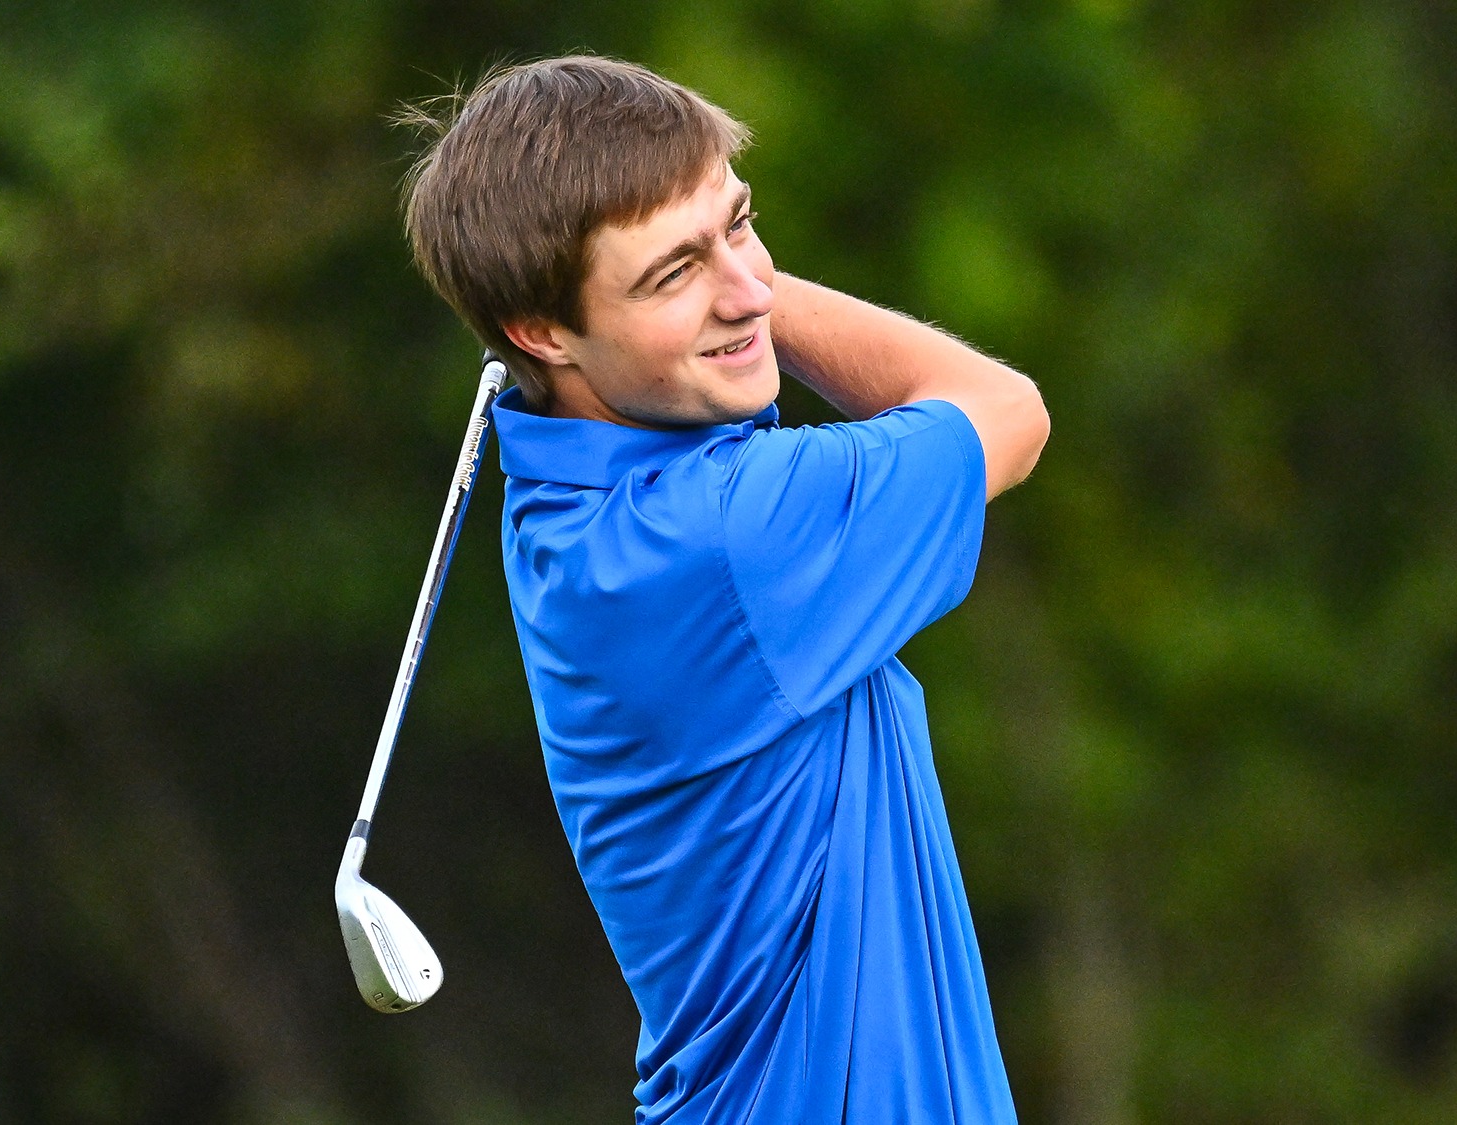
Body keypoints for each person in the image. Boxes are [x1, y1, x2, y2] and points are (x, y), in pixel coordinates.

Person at [399, 55, 1048, 1124]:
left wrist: (697, 295)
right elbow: (1004, 411)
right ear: (540, 332)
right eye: (672, 274)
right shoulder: (726, 537)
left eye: (739, 225)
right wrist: (753, 307)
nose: (749, 290)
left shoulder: (569, 504)